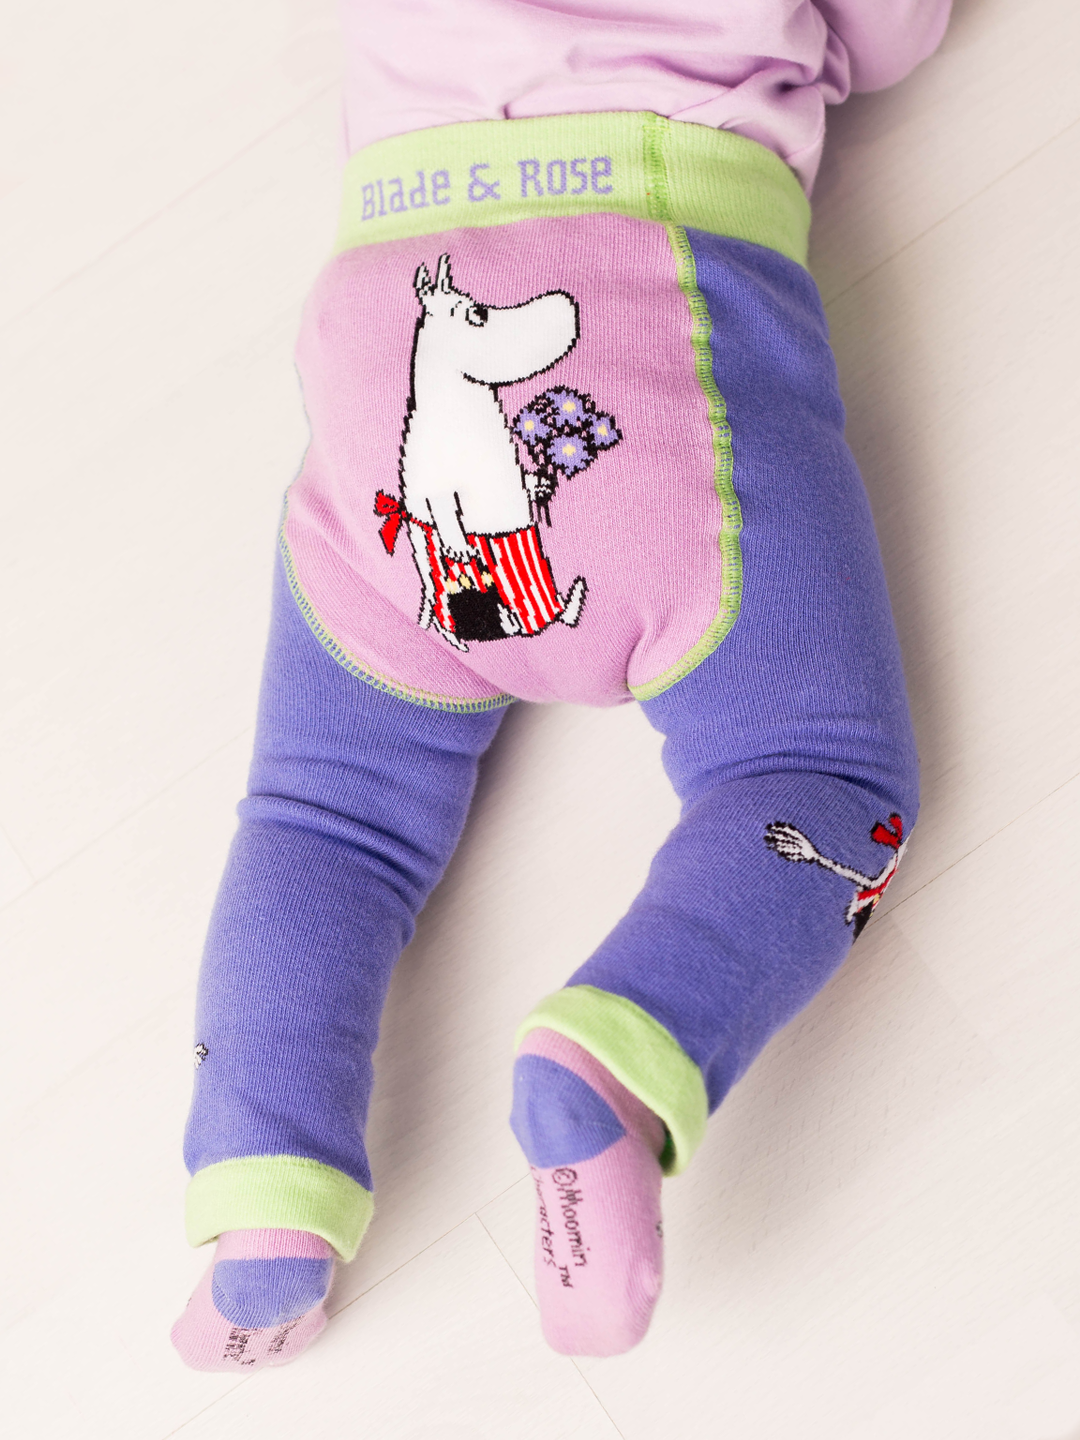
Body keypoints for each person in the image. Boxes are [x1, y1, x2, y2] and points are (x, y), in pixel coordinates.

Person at [171, 0, 952, 1370]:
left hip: (389, 336)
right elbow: (894, 40)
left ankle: (262, 1205)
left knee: (324, 816)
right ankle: (622, 1047)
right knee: (820, 775)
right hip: (651, 287)